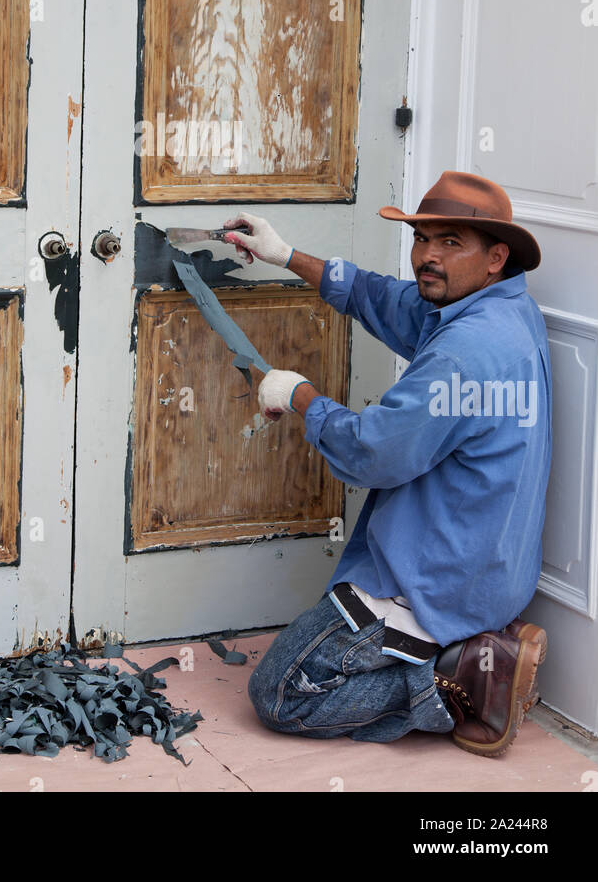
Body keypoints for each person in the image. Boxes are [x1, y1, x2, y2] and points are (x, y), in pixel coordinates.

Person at [222, 170, 551, 757]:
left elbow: (376, 452)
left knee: (280, 693)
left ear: (496, 256)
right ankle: (469, 649)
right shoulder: (497, 309)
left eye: (450, 242)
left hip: (430, 581)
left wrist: (299, 396)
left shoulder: (465, 352)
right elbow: (387, 299)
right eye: (422, 238)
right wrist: (285, 255)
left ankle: (462, 679)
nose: (427, 256)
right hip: (488, 569)